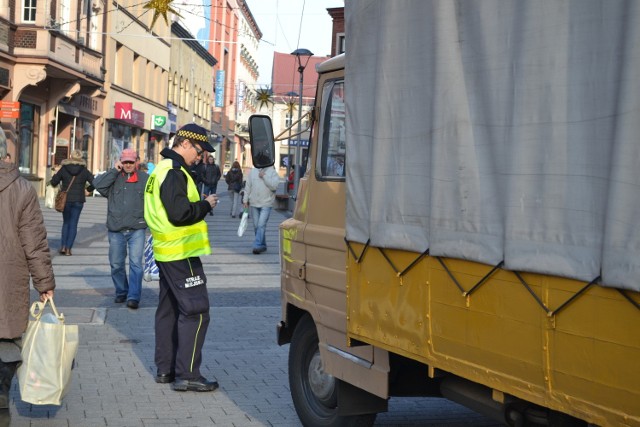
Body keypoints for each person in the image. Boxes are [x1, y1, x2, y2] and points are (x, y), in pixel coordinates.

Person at [144, 123, 220, 392]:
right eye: (199, 152)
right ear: (185, 143)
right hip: (182, 252)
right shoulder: (175, 172)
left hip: (166, 252)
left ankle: (165, 369)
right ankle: (188, 374)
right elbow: (179, 213)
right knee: (196, 311)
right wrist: (204, 205)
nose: (200, 158)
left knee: (168, 310)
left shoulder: (161, 169)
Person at [0, 136, 55, 413]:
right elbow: (34, 241)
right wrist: (44, 282)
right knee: (7, 339)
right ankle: (1, 394)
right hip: (8, 280)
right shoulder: (22, 188)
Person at [93, 148, 149, 309]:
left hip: (137, 228)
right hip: (116, 229)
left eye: (131, 162)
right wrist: (114, 170)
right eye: (125, 162)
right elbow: (97, 185)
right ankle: (121, 292)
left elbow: (154, 199)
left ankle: (133, 297)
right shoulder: (114, 178)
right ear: (120, 162)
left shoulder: (145, 179)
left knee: (136, 264)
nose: (128, 165)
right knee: (116, 264)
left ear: (136, 162)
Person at [50, 149, 95, 256]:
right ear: (81, 158)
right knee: (73, 224)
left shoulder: (64, 168)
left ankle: (63, 246)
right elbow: (95, 182)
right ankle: (69, 249)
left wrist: (56, 175)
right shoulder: (84, 170)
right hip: (79, 200)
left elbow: (53, 182)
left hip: (66, 200)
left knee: (66, 223)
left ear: (70, 156)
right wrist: (88, 190)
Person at [242, 162, 279, 254]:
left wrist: (264, 176)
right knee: (256, 225)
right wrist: (245, 200)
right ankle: (262, 244)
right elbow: (248, 186)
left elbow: (274, 186)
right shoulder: (253, 171)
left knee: (261, 225)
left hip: (266, 203)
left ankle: (257, 245)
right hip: (254, 202)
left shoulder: (272, 172)